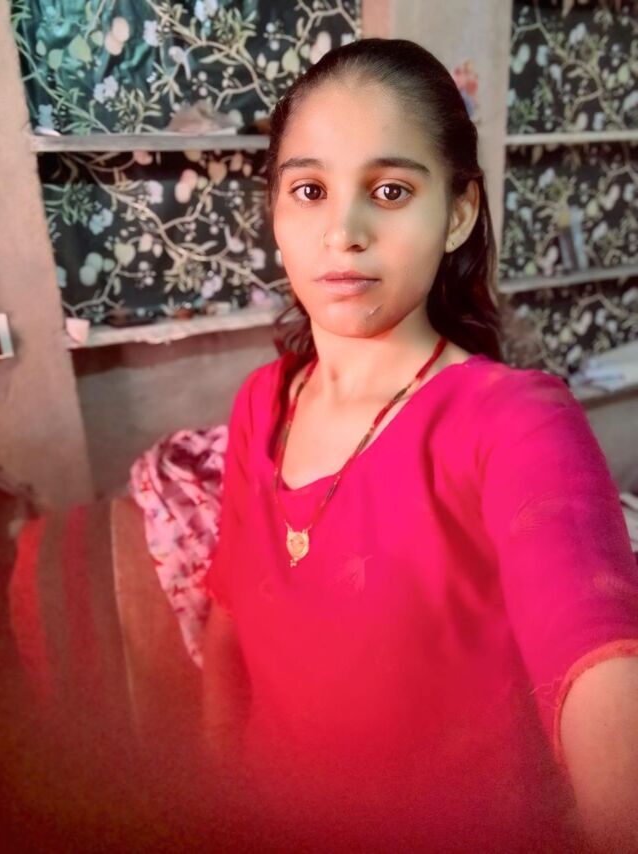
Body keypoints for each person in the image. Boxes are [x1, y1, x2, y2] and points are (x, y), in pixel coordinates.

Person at [202, 38, 638, 852]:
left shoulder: (516, 423)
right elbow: (227, 629)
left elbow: (597, 649)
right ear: (275, 213)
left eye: (391, 190)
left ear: (458, 214)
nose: (343, 231)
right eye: (309, 190)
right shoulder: (261, 404)